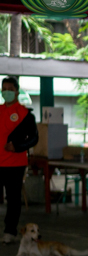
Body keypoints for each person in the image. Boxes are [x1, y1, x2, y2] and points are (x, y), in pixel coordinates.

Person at [0, 76, 37, 244]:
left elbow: (34, 138)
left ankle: (10, 231)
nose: (7, 92)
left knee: (13, 199)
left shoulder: (25, 114)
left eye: (10, 89)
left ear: (17, 91)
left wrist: (18, 147)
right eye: (4, 89)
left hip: (15, 164)